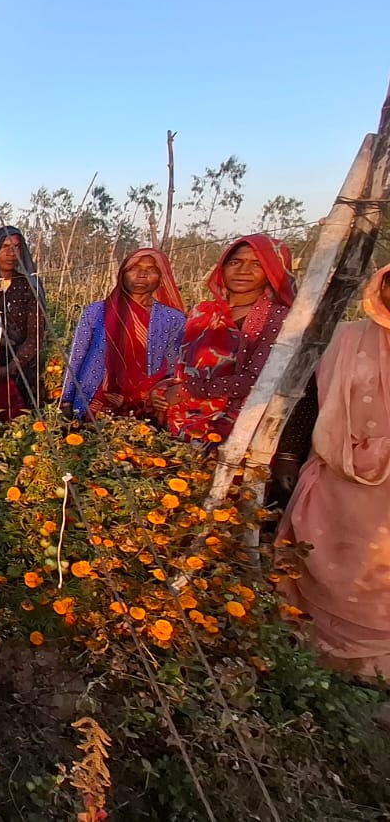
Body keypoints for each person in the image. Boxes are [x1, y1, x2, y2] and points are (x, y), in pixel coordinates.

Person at [276, 263, 390, 684]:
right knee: (322, 556)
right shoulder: (346, 338)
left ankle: (373, 666)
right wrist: (287, 454)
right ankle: (316, 651)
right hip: (336, 475)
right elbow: (308, 397)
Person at [154, 234, 295, 439]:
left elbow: (257, 380)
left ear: (272, 271)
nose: (243, 271)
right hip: (178, 421)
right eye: (235, 262)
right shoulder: (202, 312)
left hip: (233, 428)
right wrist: (161, 390)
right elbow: (181, 367)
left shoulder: (278, 318)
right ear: (223, 267)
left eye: (257, 264)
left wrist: (187, 390)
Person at [60, 248, 187, 420]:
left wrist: (159, 392)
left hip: (144, 407)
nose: (142, 274)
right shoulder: (97, 311)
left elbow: (174, 367)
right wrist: (67, 399)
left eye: (151, 269)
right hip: (92, 399)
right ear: (122, 274)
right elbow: (77, 355)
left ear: (161, 276)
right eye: (134, 268)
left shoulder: (173, 319)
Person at [0, 226, 47, 420]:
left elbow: (35, 337)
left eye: (16, 247)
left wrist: (9, 369)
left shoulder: (29, 286)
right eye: (5, 247)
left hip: (18, 367)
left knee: (17, 424)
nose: (11, 254)